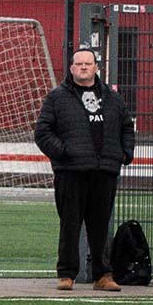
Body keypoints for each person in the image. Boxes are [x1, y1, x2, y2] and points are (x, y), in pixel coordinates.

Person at [35, 47, 135, 292]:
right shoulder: (57, 97)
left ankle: (103, 275)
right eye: (78, 63)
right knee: (70, 225)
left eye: (87, 64)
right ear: (71, 68)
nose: (83, 67)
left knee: (100, 227)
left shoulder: (113, 98)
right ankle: (66, 274)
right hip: (71, 172)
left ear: (96, 68)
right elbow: (42, 132)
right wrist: (63, 151)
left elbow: (126, 127)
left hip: (104, 172)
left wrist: (124, 153)